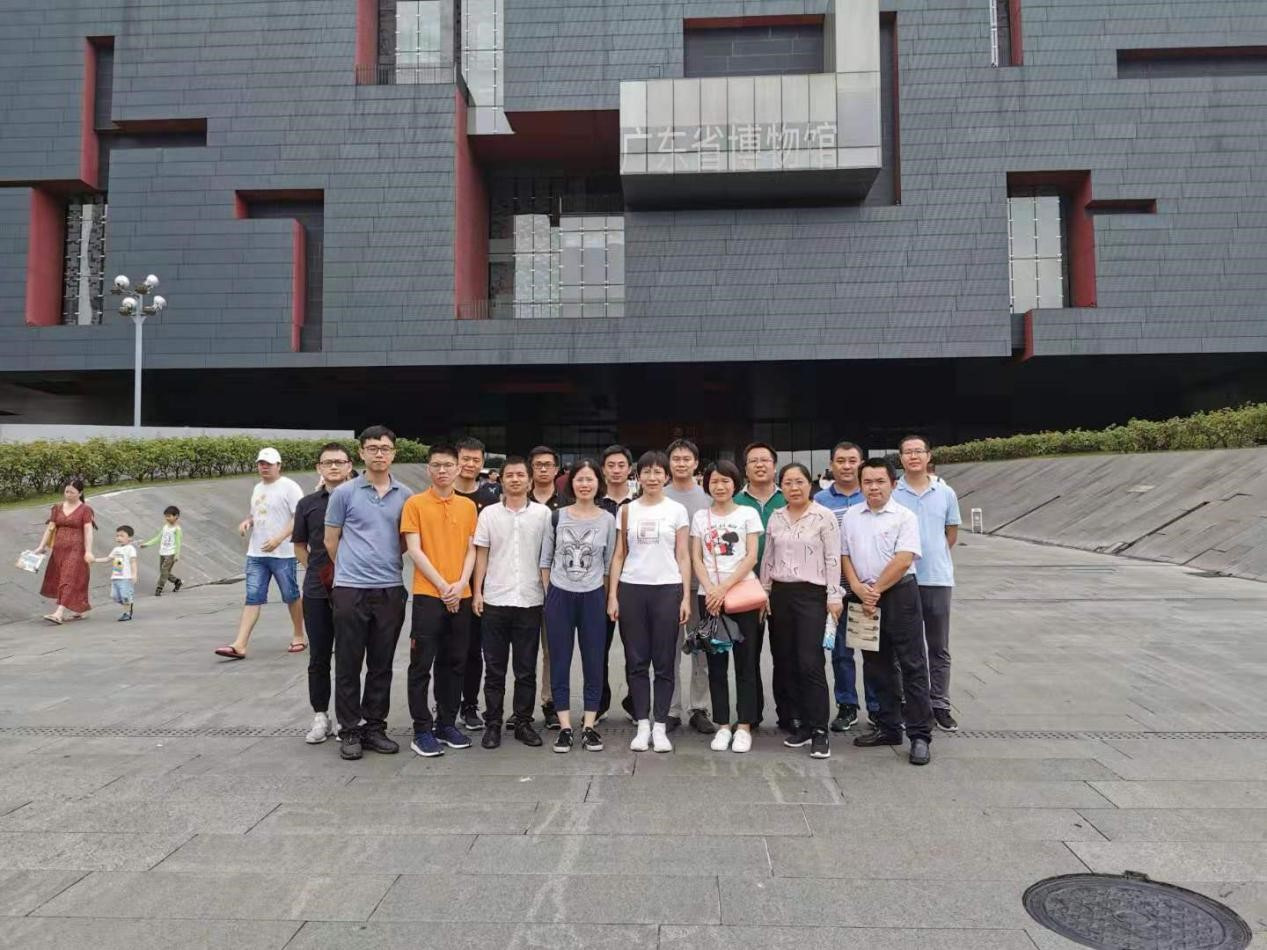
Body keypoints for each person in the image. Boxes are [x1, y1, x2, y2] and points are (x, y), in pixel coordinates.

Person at [324, 426, 413, 760]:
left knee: (381, 662)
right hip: (351, 589)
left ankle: (375, 727)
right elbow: (331, 540)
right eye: (372, 447)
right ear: (361, 453)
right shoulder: (344, 493)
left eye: (385, 448)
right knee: (348, 662)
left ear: (393, 453)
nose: (379, 453)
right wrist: (351, 569)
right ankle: (349, 729)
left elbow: (404, 540)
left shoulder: (405, 495)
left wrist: (382, 561)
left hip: (390, 588)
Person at [841, 457, 933, 766]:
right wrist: (858, 587)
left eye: (880, 481)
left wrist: (876, 590)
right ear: (860, 485)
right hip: (862, 596)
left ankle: (920, 735)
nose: (874, 487)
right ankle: (889, 726)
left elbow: (904, 559)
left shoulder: (905, 517)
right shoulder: (851, 516)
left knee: (912, 664)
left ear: (893, 484)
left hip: (899, 595)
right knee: (875, 664)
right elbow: (844, 555)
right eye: (867, 481)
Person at [607, 450, 690, 753]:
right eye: (646, 472)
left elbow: (683, 555)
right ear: (638, 476)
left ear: (666, 476)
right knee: (636, 660)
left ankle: (660, 725)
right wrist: (613, 595)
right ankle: (642, 723)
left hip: (667, 589)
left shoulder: (677, 510)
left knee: (664, 662)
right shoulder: (627, 510)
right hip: (632, 589)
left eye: (658, 472)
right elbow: (619, 555)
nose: (652, 477)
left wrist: (685, 597)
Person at [760, 462, 842, 759]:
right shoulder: (776, 516)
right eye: (788, 483)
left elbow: (833, 558)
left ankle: (820, 730)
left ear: (811, 484)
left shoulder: (824, 516)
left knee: (810, 662)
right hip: (780, 594)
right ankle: (802, 724)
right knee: (787, 660)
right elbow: (768, 558)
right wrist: (764, 591)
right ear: (781, 486)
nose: (794, 488)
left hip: (812, 596)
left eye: (799, 482)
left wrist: (834, 595)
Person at [471, 455, 554, 749]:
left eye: (521, 475)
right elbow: (482, 554)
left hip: (530, 600)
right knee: (494, 669)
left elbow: (547, 556)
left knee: (525, 669)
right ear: (501, 480)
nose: (515, 479)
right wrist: (478, 591)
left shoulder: (543, 514)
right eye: (510, 475)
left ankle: (523, 722)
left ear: (530, 481)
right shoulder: (489, 514)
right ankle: (493, 723)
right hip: (495, 599)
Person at [401, 443, 478, 757]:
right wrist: (444, 586)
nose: (442, 470)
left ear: (458, 468)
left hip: (462, 594)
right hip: (428, 595)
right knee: (422, 664)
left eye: (448, 465)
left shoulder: (468, 507)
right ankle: (422, 729)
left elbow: (472, 549)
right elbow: (414, 549)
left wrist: (460, 584)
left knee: (455, 662)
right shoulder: (415, 504)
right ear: (428, 469)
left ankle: (446, 723)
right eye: (436, 465)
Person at [540, 459, 617, 753]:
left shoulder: (607, 520)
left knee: (594, 661)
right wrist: (549, 594)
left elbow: (609, 564)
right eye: (579, 479)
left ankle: (589, 725)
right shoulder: (557, 517)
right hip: (560, 595)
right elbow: (545, 560)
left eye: (590, 479)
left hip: (593, 596)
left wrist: (609, 597)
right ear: (571, 484)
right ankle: (564, 726)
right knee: (559, 660)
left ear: (599, 483)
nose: (585, 484)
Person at [689, 460, 763, 754]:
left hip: (742, 595)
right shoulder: (700, 517)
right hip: (709, 598)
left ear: (736, 483)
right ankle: (722, 724)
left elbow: (751, 556)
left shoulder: (748, 513)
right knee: (716, 663)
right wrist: (710, 589)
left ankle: (744, 725)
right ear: (707, 484)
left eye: (726, 481)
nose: (719, 486)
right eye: (714, 481)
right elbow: (696, 557)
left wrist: (723, 588)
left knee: (746, 662)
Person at [894, 434, 962, 732]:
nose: (913, 457)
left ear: (928, 455)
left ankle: (940, 704)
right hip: (903, 579)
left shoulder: (945, 493)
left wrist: (934, 556)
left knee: (938, 646)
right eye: (907, 452)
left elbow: (950, 534)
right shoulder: (893, 492)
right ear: (900, 458)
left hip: (937, 578)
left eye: (918, 451)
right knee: (904, 646)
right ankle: (907, 702)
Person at [813, 441, 880, 732]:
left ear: (861, 463)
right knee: (841, 653)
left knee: (871, 650)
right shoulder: (820, 500)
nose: (847, 466)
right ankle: (847, 705)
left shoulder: (872, 495)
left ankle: (877, 707)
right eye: (840, 461)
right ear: (831, 465)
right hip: (837, 589)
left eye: (852, 460)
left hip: (870, 589)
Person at [215, 448, 305, 659]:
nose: (264, 467)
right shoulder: (257, 488)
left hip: (283, 554)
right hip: (256, 553)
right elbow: (256, 513)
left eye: (269, 464)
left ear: (279, 466)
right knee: (253, 596)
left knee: (290, 595)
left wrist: (278, 539)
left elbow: (299, 516)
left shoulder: (289, 487)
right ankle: (240, 644)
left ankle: (298, 635)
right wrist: (248, 522)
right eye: (261, 463)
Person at [293, 441, 355, 745]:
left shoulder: (360, 498)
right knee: (319, 655)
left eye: (339, 462)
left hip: (353, 587)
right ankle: (320, 715)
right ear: (319, 467)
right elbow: (299, 546)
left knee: (348, 655)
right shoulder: (307, 504)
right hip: (318, 590)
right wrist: (319, 572)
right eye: (327, 462)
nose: (333, 466)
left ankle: (347, 717)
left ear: (349, 466)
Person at [734, 442, 787, 730]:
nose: (759, 465)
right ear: (745, 469)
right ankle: (750, 714)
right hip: (745, 589)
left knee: (786, 653)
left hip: (784, 588)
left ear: (774, 466)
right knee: (747, 656)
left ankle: (788, 713)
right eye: (753, 461)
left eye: (765, 460)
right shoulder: (735, 501)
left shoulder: (788, 496)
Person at [663, 438, 714, 735]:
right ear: (668, 463)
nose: (681, 463)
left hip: (700, 586)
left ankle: (700, 707)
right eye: (676, 459)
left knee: (700, 649)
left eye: (686, 459)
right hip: (667, 585)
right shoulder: (658, 495)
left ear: (696, 463)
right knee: (667, 650)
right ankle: (671, 709)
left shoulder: (708, 498)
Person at [454, 436, 502, 732]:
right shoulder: (443, 493)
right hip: (446, 583)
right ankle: (445, 704)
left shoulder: (491, 500)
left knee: (474, 649)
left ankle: (469, 705)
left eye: (476, 460)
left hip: (479, 586)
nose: (470, 464)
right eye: (465, 459)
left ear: (482, 463)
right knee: (448, 650)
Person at [527, 445, 565, 730]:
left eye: (548, 465)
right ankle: (522, 707)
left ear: (556, 469)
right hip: (522, 587)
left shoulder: (566, 504)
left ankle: (550, 701)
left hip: (556, 588)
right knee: (525, 650)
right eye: (538, 464)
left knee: (552, 650)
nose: (543, 469)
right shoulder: (517, 499)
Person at [597, 444, 635, 721]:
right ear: (603, 470)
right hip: (599, 584)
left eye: (621, 465)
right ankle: (599, 703)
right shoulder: (594, 502)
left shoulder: (641, 503)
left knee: (635, 649)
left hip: (634, 583)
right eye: (611, 465)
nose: (616, 470)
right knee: (599, 648)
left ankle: (635, 703)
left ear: (630, 469)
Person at [33, 479, 95, 625]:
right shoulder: (57, 508)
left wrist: (88, 551)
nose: (68, 495)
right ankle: (79, 608)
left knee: (68, 578)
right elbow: (50, 528)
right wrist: (41, 546)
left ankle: (59, 613)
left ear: (80, 493)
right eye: (66, 491)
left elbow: (88, 531)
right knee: (62, 578)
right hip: (59, 550)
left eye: (72, 492)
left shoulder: (85, 510)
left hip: (76, 549)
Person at [95, 525, 138, 622]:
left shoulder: (130, 549)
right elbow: (107, 559)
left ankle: (127, 613)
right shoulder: (116, 549)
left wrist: (134, 574)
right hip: (115, 578)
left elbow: (133, 562)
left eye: (122, 536)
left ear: (130, 538)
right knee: (114, 596)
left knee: (125, 596)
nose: (119, 538)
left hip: (126, 578)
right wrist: (95, 560)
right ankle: (128, 604)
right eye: (117, 536)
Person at [139, 506, 183, 596]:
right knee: (164, 572)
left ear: (176, 516)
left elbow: (178, 543)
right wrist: (147, 544)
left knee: (164, 571)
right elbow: (158, 538)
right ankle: (177, 581)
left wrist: (177, 555)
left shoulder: (177, 529)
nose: (167, 518)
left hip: (171, 553)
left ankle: (159, 588)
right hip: (163, 552)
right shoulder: (165, 527)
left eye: (169, 516)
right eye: (166, 516)